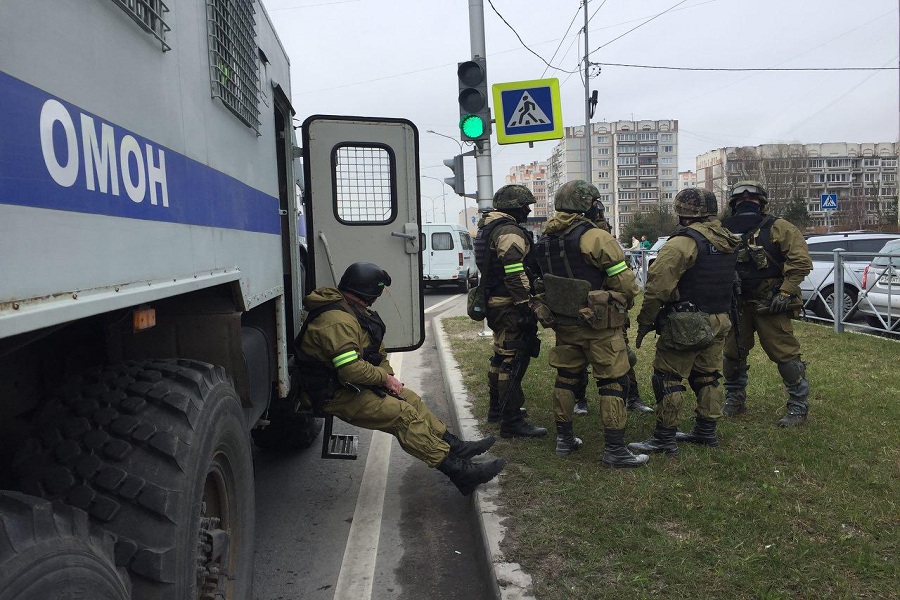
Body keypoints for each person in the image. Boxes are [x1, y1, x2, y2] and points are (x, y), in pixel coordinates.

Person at [295, 262, 505, 496]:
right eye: (375, 294)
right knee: (401, 416)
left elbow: (375, 352)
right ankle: (460, 473)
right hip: (333, 394)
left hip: (350, 385)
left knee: (410, 399)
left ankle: (456, 447)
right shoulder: (337, 321)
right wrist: (384, 379)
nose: (376, 300)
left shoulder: (353, 311)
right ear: (367, 293)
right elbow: (350, 370)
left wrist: (390, 379)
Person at [532, 180, 648, 467]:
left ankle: (564, 439)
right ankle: (615, 449)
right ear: (589, 205)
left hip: (564, 324)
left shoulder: (546, 238)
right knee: (613, 381)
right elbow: (626, 285)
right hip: (599, 327)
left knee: (567, 378)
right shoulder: (596, 237)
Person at [629, 188, 740, 454]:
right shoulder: (727, 239)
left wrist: (646, 321)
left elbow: (657, 286)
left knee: (668, 377)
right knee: (708, 376)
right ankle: (706, 431)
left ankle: (664, 437)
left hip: (686, 321)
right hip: (720, 317)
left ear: (681, 212)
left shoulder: (683, 243)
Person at [720, 181, 813, 426]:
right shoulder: (721, 229)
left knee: (785, 354)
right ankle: (734, 398)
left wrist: (784, 293)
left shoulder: (779, 227)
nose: (745, 205)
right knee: (732, 353)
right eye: (741, 202)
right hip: (736, 303)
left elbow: (800, 262)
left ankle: (798, 404)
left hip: (771, 302)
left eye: (748, 202)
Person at [475, 185, 548, 438]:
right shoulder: (508, 231)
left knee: (500, 356)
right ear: (514, 207)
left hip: (496, 301)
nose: (528, 210)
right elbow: (514, 271)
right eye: (525, 206)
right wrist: (525, 304)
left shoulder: (488, 228)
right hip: (509, 304)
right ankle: (511, 421)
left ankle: (497, 410)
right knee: (513, 360)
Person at [573, 198, 653, 417]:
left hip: (610, 303)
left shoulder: (601, 233)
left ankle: (632, 396)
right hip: (587, 302)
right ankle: (579, 398)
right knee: (577, 356)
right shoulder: (575, 234)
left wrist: (624, 298)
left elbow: (621, 270)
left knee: (622, 353)